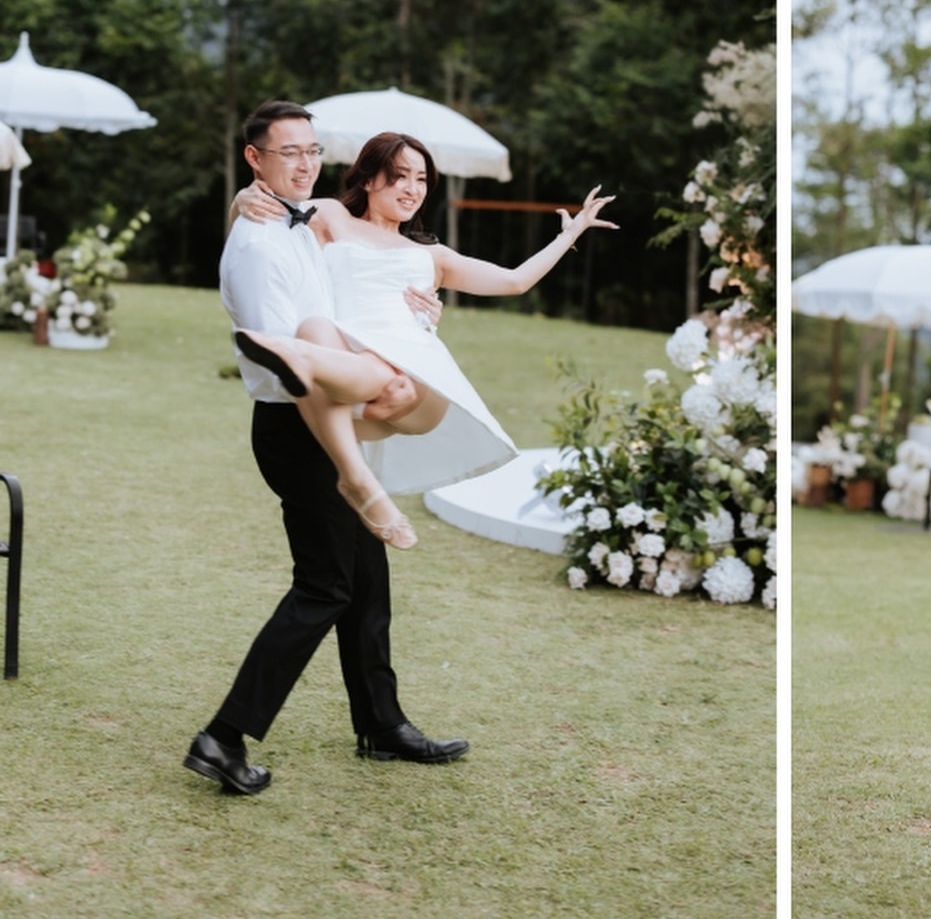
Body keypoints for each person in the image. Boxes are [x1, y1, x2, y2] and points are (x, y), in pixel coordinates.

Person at [185, 103, 469, 795]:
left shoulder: (297, 220)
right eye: (288, 153)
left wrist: (418, 310)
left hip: (331, 419)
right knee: (326, 585)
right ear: (256, 159)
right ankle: (224, 737)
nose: (305, 164)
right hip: (297, 425)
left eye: (312, 151)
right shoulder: (254, 247)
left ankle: (381, 723)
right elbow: (301, 369)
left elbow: (360, 281)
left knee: (367, 574)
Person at [232, 133, 614, 550]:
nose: (412, 189)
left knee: (389, 380)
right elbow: (264, 234)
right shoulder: (330, 216)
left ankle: (300, 360)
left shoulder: (431, 255)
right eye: (399, 177)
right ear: (368, 179)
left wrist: (570, 234)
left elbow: (514, 281)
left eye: (421, 179)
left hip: (416, 385)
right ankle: (355, 475)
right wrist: (240, 202)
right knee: (313, 328)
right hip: (349, 377)